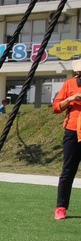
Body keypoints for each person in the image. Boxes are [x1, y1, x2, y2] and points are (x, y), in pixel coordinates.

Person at [52, 59, 81, 220]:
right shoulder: (70, 84)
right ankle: (61, 207)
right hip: (72, 131)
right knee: (68, 170)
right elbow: (56, 108)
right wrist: (71, 99)